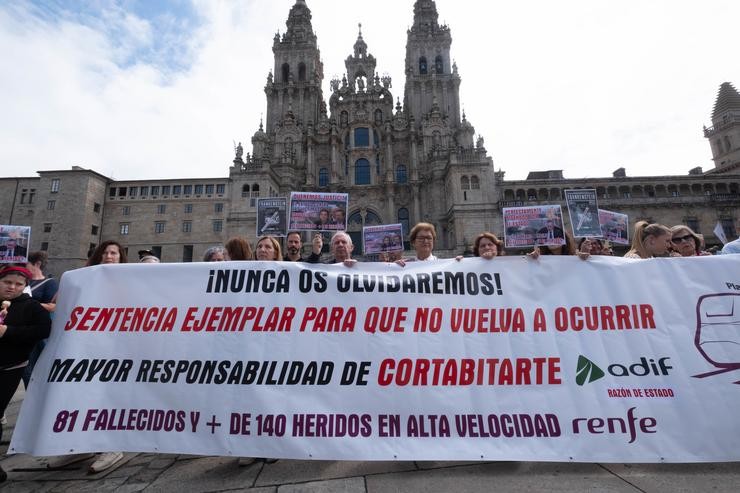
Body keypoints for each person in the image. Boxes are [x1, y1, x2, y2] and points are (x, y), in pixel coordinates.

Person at [49, 240, 127, 473]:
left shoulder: (130, 279)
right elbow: (61, 303)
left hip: (116, 347)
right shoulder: (83, 277)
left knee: (108, 393)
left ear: (121, 257)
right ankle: (79, 445)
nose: (109, 256)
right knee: (81, 392)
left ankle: (111, 445)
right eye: (104, 252)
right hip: (87, 345)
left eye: (113, 253)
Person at [0, 266, 52, 482]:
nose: (12, 287)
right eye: (7, 282)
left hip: (10, 368)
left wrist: (8, 331)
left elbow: (43, 331)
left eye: (18, 284)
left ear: (25, 287)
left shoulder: (32, 307)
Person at [21, 251, 59, 389]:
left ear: (37, 264)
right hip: (20, 331)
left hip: (37, 333)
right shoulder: (22, 282)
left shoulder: (50, 283)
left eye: (26, 265)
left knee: (31, 370)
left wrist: (28, 303)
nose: (24, 268)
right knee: (24, 370)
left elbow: (53, 307)